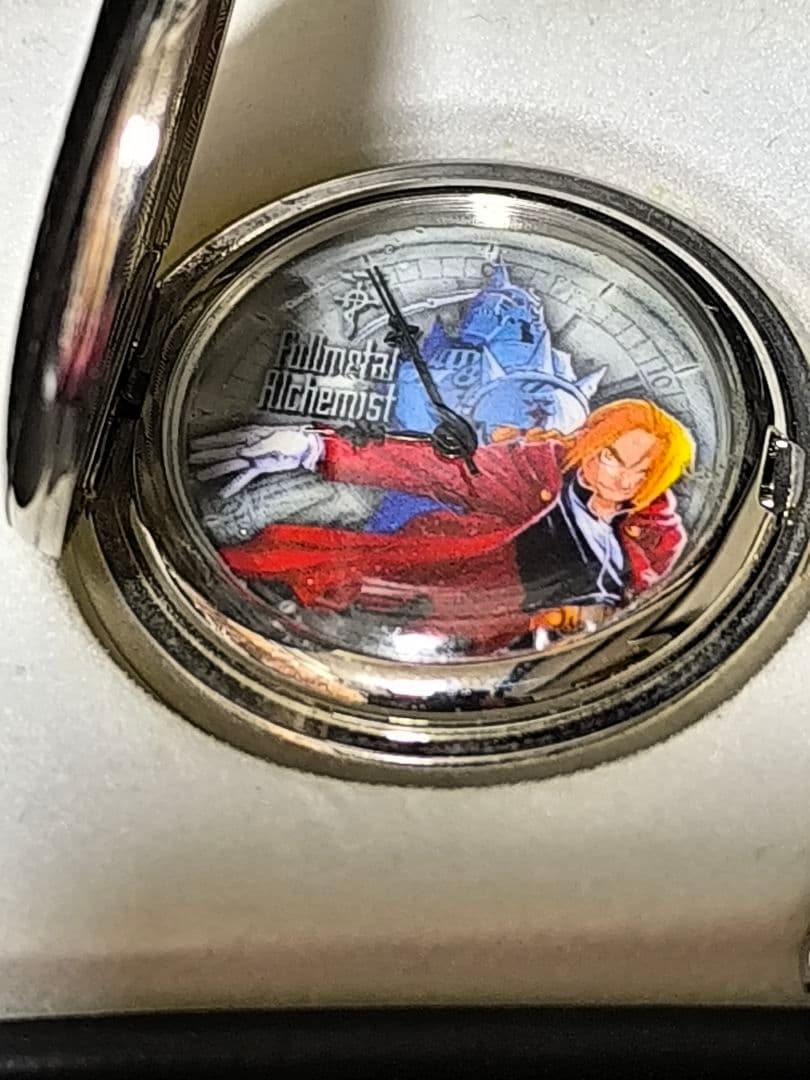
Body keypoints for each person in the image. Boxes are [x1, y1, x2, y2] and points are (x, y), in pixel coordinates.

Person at [193, 399, 694, 654]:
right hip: (454, 605)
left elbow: (653, 603)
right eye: (611, 457)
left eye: (642, 471)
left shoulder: (657, 531)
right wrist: (316, 448)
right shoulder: (538, 471)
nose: (623, 478)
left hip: (561, 657)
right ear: (591, 444)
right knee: (316, 565)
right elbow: (442, 469)